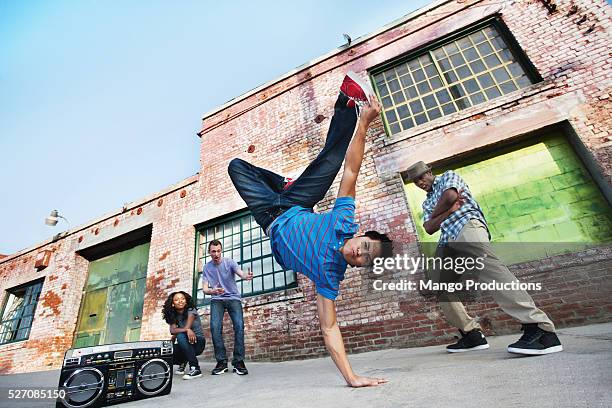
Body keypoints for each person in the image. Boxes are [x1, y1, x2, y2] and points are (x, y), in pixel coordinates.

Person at [227, 71, 393, 387]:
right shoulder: (343, 223)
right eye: (366, 246)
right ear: (362, 235)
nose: (361, 253)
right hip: (297, 202)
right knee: (329, 164)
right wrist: (365, 124)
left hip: (269, 217)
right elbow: (352, 170)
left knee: (236, 166)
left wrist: (352, 377)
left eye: (365, 260)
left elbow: (329, 328)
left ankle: (279, 184)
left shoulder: (329, 276)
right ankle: (347, 100)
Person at [405, 160, 563, 355]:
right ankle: (471, 334)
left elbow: (450, 195)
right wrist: (449, 210)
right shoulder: (426, 201)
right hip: (447, 240)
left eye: (422, 176)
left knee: (491, 271)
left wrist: (441, 213)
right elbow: (429, 228)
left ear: (430, 171)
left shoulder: (448, 176)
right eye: (415, 181)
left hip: (466, 226)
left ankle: (541, 330)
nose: (420, 182)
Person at [202, 239, 253, 375]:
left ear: (221, 251)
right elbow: (205, 289)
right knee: (214, 327)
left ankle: (238, 362)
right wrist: (212, 291)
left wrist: (245, 276)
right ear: (209, 252)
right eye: (213, 251)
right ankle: (221, 362)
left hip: (233, 297)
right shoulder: (207, 267)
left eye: (219, 251)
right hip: (217, 298)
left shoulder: (229, 262)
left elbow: (240, 273)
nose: (216, 254)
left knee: (239, 326)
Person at [161, 291, 206, 379]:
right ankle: (183, 362)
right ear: (173, 303)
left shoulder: (191, 310)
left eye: (182, 299)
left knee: (180, 335)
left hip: (198, 342)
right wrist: (175, 336)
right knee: (168, 349)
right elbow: (173, 330)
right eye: (176, 300)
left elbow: (186, 328)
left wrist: (181, 332)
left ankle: (195, 368)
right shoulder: (173, 315)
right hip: (186, 343)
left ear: (186, 301)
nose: (180, 301)